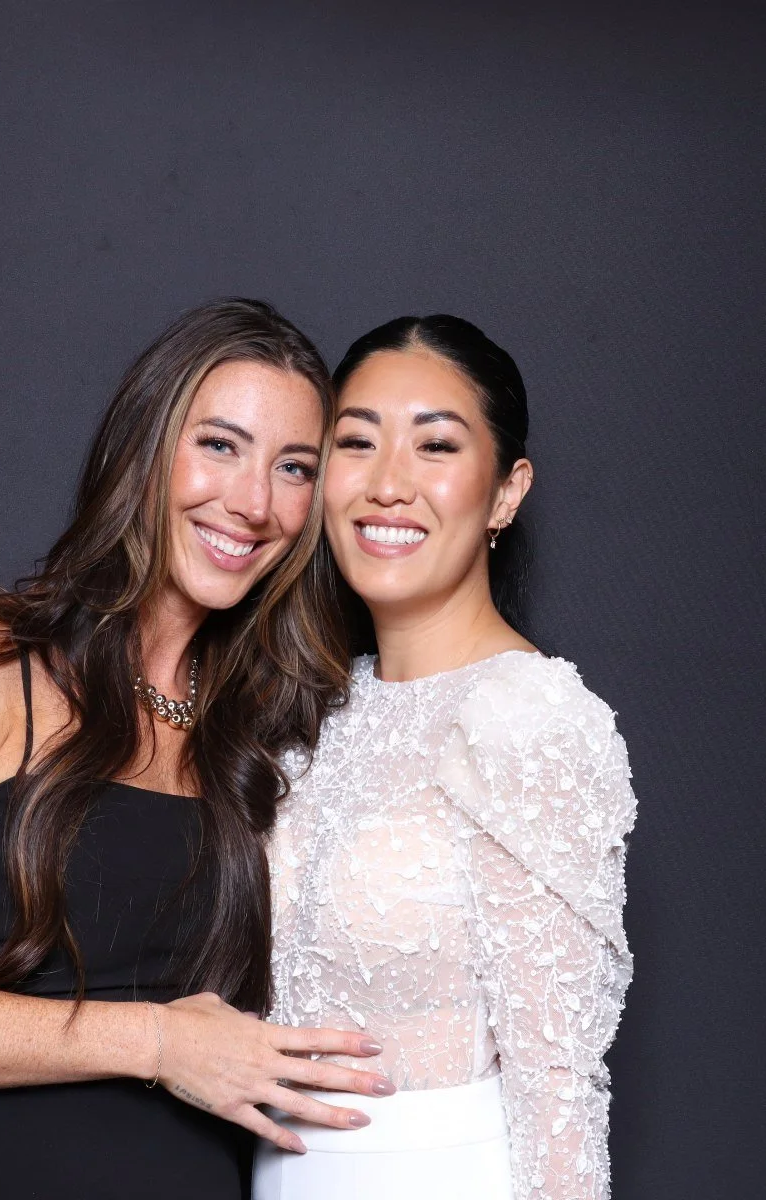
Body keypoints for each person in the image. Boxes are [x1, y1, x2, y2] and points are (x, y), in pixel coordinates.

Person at [0, 299, 393, 1200]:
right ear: (145, 446)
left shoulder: (277, 734)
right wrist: (156, 1041)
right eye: (219, 445)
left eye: (293, 467)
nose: (254, 502)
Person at [258, 316, 638, 1200]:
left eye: (435, 445)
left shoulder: (527, 718)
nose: (388, 484)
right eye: (356, 442)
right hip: (282, 1174)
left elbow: (557, 1080)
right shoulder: (316, 713)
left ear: (505, 493)